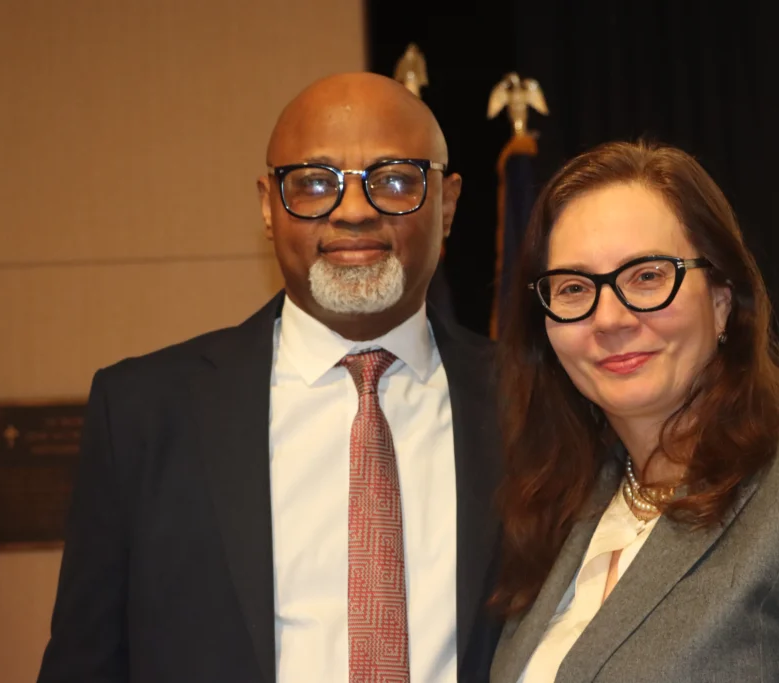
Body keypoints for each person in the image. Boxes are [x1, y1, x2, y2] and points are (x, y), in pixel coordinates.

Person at [37, 72, 502, 683]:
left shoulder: (536, 404)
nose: (355, 211)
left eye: (393, 181)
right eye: (313, 183)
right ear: (267, 206)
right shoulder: (143, 413)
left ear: (448, 205)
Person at [489, 140, 779, 683]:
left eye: (647, 276)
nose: (609, 317)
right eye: (573, 288)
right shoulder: (562, 518)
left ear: (722, 300)